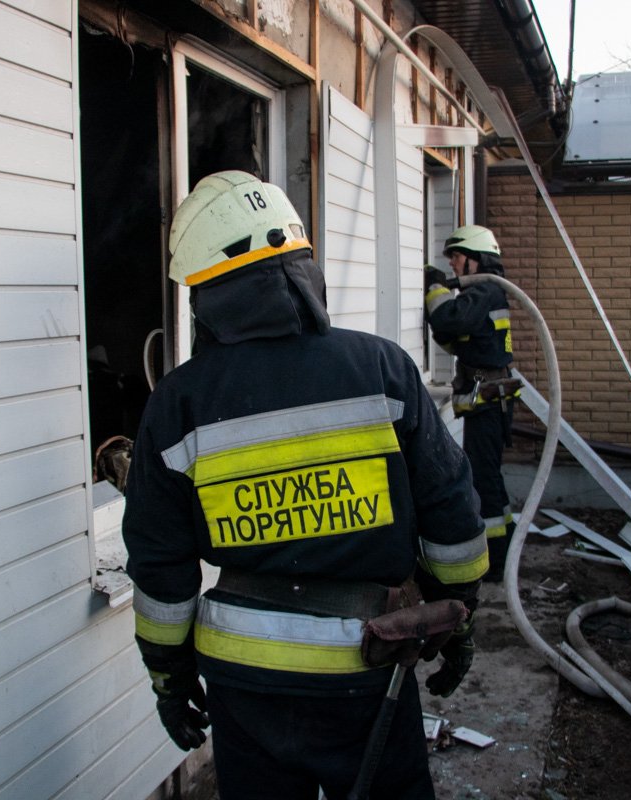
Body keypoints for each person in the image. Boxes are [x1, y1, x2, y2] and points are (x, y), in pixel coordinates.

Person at [121, 170, 488, 800]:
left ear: (204, 295)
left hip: (244, 682)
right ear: (302, 269)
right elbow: (453, 517)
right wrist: (460, 617)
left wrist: (170, 679)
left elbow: (160, 565)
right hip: (371, 666)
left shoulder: (178, 402)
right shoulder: (380, 368)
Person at [424, 225, 518, 581]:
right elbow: (454, 335)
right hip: (489, 401)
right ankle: (504, 548)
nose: (452, 265)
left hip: (489, 402)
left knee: (485, 480)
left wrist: (434, 288)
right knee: (487, 476)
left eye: (457, 258)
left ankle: (496, 563)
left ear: (477, 260)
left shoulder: (486, 290)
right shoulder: (483, 294)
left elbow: (449, 318)